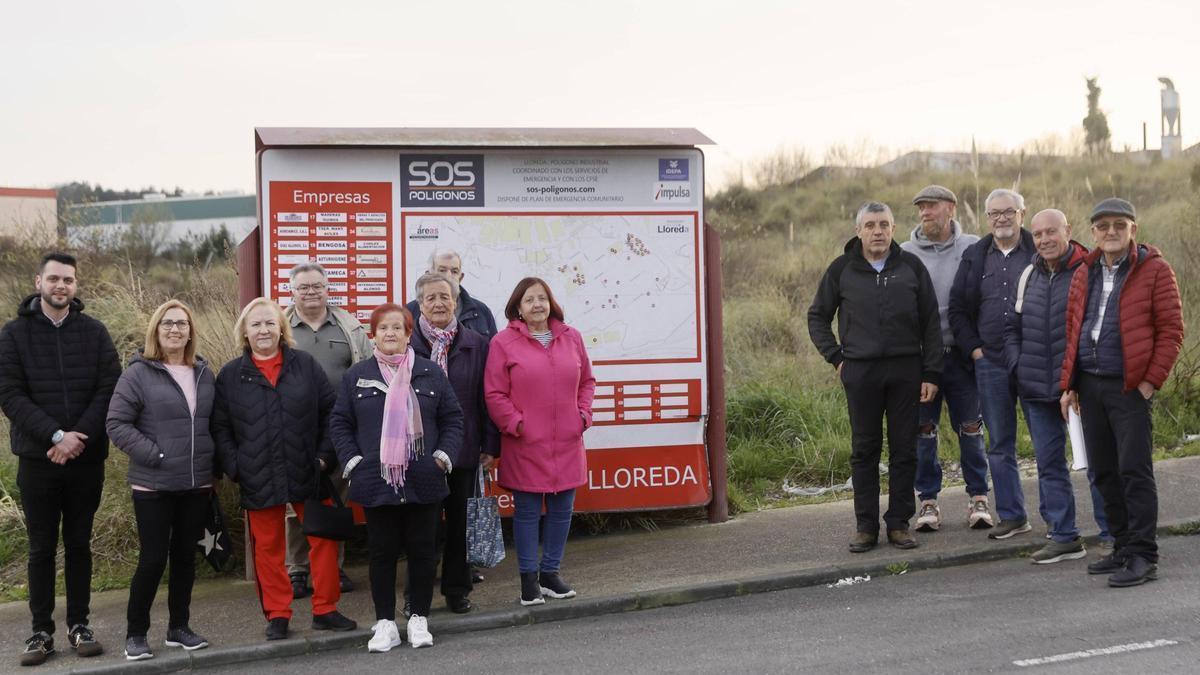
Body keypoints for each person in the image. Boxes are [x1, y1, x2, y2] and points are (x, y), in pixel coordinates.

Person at [211, 297, 356, 640]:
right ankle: (278, 614)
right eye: (256, 324)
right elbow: (220, 427)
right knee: (268, 548)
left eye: (270, 323)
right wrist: (236, 466)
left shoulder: (304, 365)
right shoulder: (231, 375)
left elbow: (331, 412)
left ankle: (325, 609)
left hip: (308, 468)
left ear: (281, 328)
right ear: (245, 331)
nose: (263, 330)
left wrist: (324, 458)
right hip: (258, 473)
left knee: (323, 539)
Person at [0, 252, 119, 667]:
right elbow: (10, 393)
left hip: (85, 458)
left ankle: (79, 625)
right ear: (39, 282)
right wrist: (55, 436)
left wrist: (77, 438)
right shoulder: (14, 334)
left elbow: (109, 387)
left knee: (79, 544)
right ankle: (41, 632)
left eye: (68, 280)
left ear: (75, 285)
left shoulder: (95, 332)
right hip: (38, 459)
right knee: (41, 547)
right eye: (53, 279)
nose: (60, 286)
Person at [1060, 198, 1184, 587]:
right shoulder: (1084, 271)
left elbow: (1171, 331)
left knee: (1133, 470)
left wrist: (1149, 383)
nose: (1110, 232)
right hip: (1090, 386)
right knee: (1103, 471)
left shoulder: (1155, 270)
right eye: (1103, 226)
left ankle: (1144, 555)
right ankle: (1122, 546)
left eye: (1119, 224)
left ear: (1133, 229)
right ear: (1093, 232)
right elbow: (1073, 329)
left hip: (1130, 388)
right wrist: (1071, 384)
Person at [328, 303, 464, 651]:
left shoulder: (430, 373)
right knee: (381, 554)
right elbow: (340, 422)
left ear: (408, 334)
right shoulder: (357, 375)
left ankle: (419, 618)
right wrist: (354, 461)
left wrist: (442, 457)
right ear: (373, 335)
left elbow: (452, 418)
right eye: (383, 328)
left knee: (423, 552)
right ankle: (386, 623)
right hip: (376, 480)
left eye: (397, 328)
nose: (390, 333)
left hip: (424, 479)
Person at [808, 202, 942, 553]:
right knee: (864, 450)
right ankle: (865, 526)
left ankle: (898, 523)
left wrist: (931, 372)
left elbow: (931, 322)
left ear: (893, 229)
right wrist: (837, 358)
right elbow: (817, 317)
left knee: (904, 450)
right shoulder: (842, 269)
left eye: (883, 224)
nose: (877, 231)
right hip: (861, 372)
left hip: (906, 371)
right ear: (859, 231)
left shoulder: (911, 267)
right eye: (870, 225)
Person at [106, 300, 215, 659]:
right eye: (167, 323)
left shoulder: (204, 373)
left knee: (185, 558)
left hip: (195, 484)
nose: (175, 329)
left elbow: (213, 423)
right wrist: (157, 455)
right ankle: (136, 633)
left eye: (182, 323)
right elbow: (116, 424)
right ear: (156, 329)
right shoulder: (138, 374)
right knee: (153, 560)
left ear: (190, 331)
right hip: (153, 485)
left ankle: (178, 628)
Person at [485, 277, 595, 605]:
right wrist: (516, 424)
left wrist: (582, 416)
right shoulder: (503, 342)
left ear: (551, 303)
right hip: (525, 442)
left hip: (567, 441)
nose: (537, 305)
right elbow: (494, 393)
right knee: (527, 512)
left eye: (542, 298)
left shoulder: (571, 337)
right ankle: (528, 580)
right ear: (518, 307)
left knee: (562, 510)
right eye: (530, 300)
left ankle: (550, 574)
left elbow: (587, 382)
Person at [1002, 210, 1102, 564]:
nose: (1044, 239)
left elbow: (1095, 328)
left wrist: (1076, 381)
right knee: (1049, 465)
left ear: (1068, 231)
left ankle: (1112, 536)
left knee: (1098, 464)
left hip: (1078, 391)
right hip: (1035, 389)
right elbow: (1012, 328)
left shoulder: (1088, 271)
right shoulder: (1028, 274)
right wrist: (1018, 366)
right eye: (1038, 234)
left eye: (1051, 232)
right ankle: (1064, 537)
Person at [406, 272, 499, 615]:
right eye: (430, 298)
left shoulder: (477, 344)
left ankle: (457, 590)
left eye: (445, 296)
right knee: (422, 529)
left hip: (464, 448)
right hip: (420, 453)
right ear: (419, 304)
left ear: (456, 301)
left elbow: (487, 397)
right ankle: (417, 597)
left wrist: (491, 443)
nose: (438, 303)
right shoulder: (407, 345)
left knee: (460, 524)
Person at [901, 185, 991, 532]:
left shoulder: (972, 246)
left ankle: (979, 497)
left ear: (950, 208)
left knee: (971, 427)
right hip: (924, 361)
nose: (925, 212)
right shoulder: (905, 252)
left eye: (932, 206)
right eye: (921, 207)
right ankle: (927, 502)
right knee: (923, 431)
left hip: (963, 357)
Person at [950, 188, 1036, 539]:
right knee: (999, 444)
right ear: (987, 218)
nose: (1002, 218)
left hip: (1033, 362)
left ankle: (1060, 524)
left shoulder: (1038, 250)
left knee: (1046, 443)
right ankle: (1013, 517)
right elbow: (957, 308)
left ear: (1021, 214)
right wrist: (974, 349)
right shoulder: (975, 256)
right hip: (991, 363)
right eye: (994, 213)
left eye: (1008, 211)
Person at [283, 262, 371, 597]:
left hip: (340, 426)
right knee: (295, 504)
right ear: (292, 291)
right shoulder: (281, 326)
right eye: (303, 287)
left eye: (317, 286)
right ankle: (297, 570)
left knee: (336, 499)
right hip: (295, 427)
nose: (311, 292)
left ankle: (333, 566)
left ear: (327, 289)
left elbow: (366, 370)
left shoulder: (349, 326)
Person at [406, 249, 499, 338]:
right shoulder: (409, 312)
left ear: (461, 277)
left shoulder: (481, 311)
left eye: (454, 271)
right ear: (428, 274)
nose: (448, 276)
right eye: (442, 270)